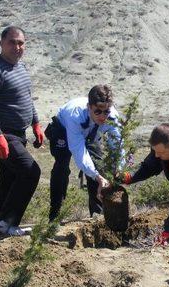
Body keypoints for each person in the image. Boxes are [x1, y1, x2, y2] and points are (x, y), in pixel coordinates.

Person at [0, 26, 44, 237]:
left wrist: (35, 123)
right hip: (2, 134)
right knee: (30, 171)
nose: (17, 47)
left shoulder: (20, 67)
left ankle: (1, 227)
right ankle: (8, 222)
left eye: (21, 43)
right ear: (1, 43)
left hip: (19, 133)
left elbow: (26, 97)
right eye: (12, 42)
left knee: (9, 177)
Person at [46, 85, 121, 221]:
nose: (103, 116)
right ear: (89, 107)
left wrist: (118, 171)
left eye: (106, 112)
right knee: (62, 168)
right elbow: (79, 153)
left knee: (98, 167)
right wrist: (97, 176)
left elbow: (117, 148)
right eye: (98, 112)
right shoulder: (74, 116)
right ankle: (55, 215)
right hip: (64, 129)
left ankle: (97, 216)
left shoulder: (112, 117)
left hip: (91, 132)